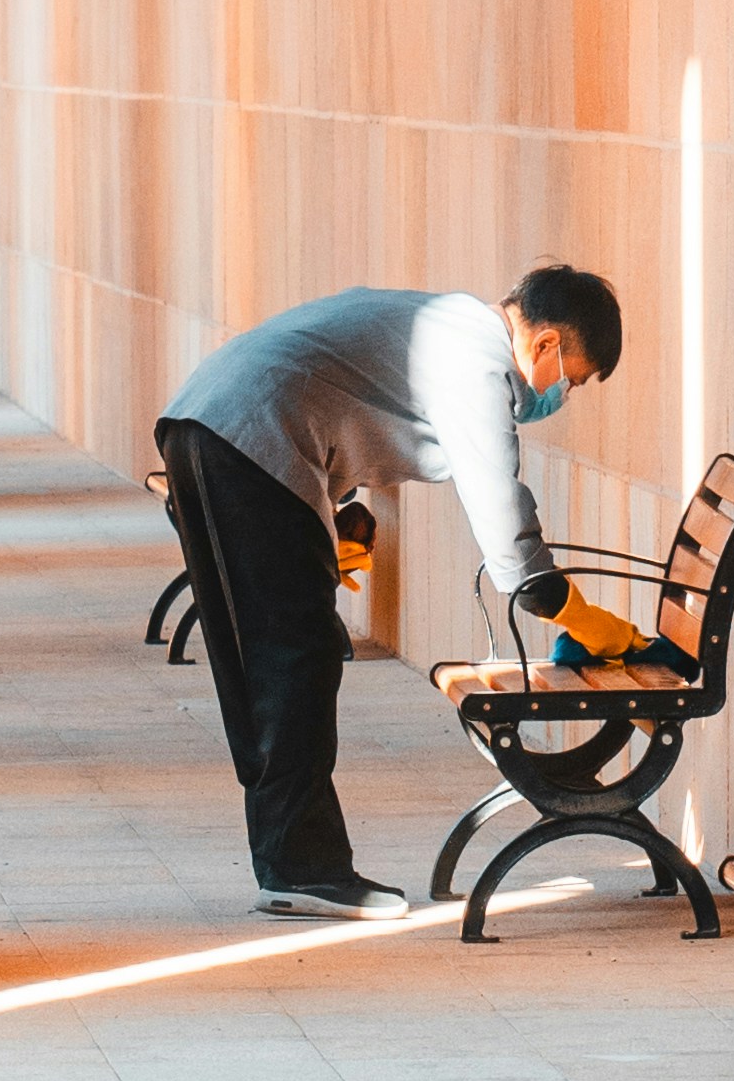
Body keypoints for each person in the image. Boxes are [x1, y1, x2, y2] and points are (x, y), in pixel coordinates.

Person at [153, 265, 647, 918]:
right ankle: (303, 869)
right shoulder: (480, 361)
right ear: (548, 343)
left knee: (269, 656)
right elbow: (501, 510)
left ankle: (287, 860)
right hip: (252, 439)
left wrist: (339, 515)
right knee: (295, 656)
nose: (563, 392)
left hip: (206, 423)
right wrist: (577, 614)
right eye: (573, 377)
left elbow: (339, 382)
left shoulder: (449, 320)